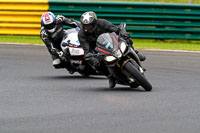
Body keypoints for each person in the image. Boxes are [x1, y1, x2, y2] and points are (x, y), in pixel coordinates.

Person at [78, 11, 146, 88]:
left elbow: (115, 29)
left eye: (89, 25)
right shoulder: (81, 34)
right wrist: (92, 58)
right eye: (85, 25)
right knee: (97, 65)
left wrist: (122, 32)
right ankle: (110, 77)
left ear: (94, 23)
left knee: (126, 39)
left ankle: (135, 52)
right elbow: (87, 50)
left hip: (112, 43)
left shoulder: (102, 23)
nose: (87, 27)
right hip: (98, 51)